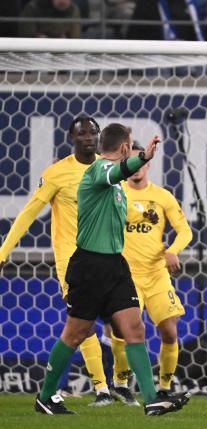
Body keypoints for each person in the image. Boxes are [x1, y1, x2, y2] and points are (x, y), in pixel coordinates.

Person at [34, 123, 189, 415]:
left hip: (116, 265)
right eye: (131, 147)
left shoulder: (117, 184)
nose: (132, 151)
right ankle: (46, 396)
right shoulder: (98, 170)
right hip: (90, 265)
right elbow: (115, 172)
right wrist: (143, 159)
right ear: (124, 149)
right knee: (74, 333)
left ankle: (152, 399)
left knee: (134, 327)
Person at [0, 116, 140, 406]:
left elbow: (120, 210)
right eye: (82, 133)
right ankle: (102, 389)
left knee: (122, 322)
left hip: (110, 257)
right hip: (73, 260)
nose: (88, 137)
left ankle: (121, 382)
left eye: (93, 133)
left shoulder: (109, 169)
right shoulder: (56, 173)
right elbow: (28, 212)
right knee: (84, 326)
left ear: (100, 138)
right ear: (71, 139)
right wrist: (4, 252)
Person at [122, 141, 193, 397]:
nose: (136, 167)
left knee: (170, 331)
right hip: (125, 276)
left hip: (156, 275)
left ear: (148, 163)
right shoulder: (116, 193)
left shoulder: (163, 196)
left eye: (140, 161)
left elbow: (185, 230)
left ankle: (164, 388)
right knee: (125, 332)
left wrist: (173, 250)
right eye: (130, 162)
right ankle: (121, 385)